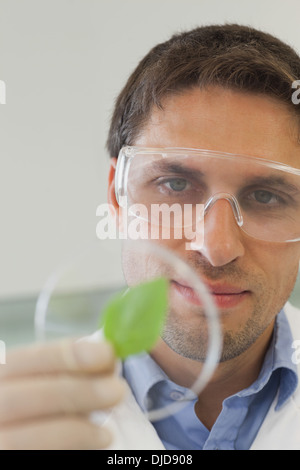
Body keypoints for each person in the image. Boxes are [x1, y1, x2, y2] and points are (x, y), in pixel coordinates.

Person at [1, 23, 300, 450]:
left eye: (266, 196)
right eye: (176, 185)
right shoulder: (18, 426)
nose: (216, 248)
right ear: (116, 195)